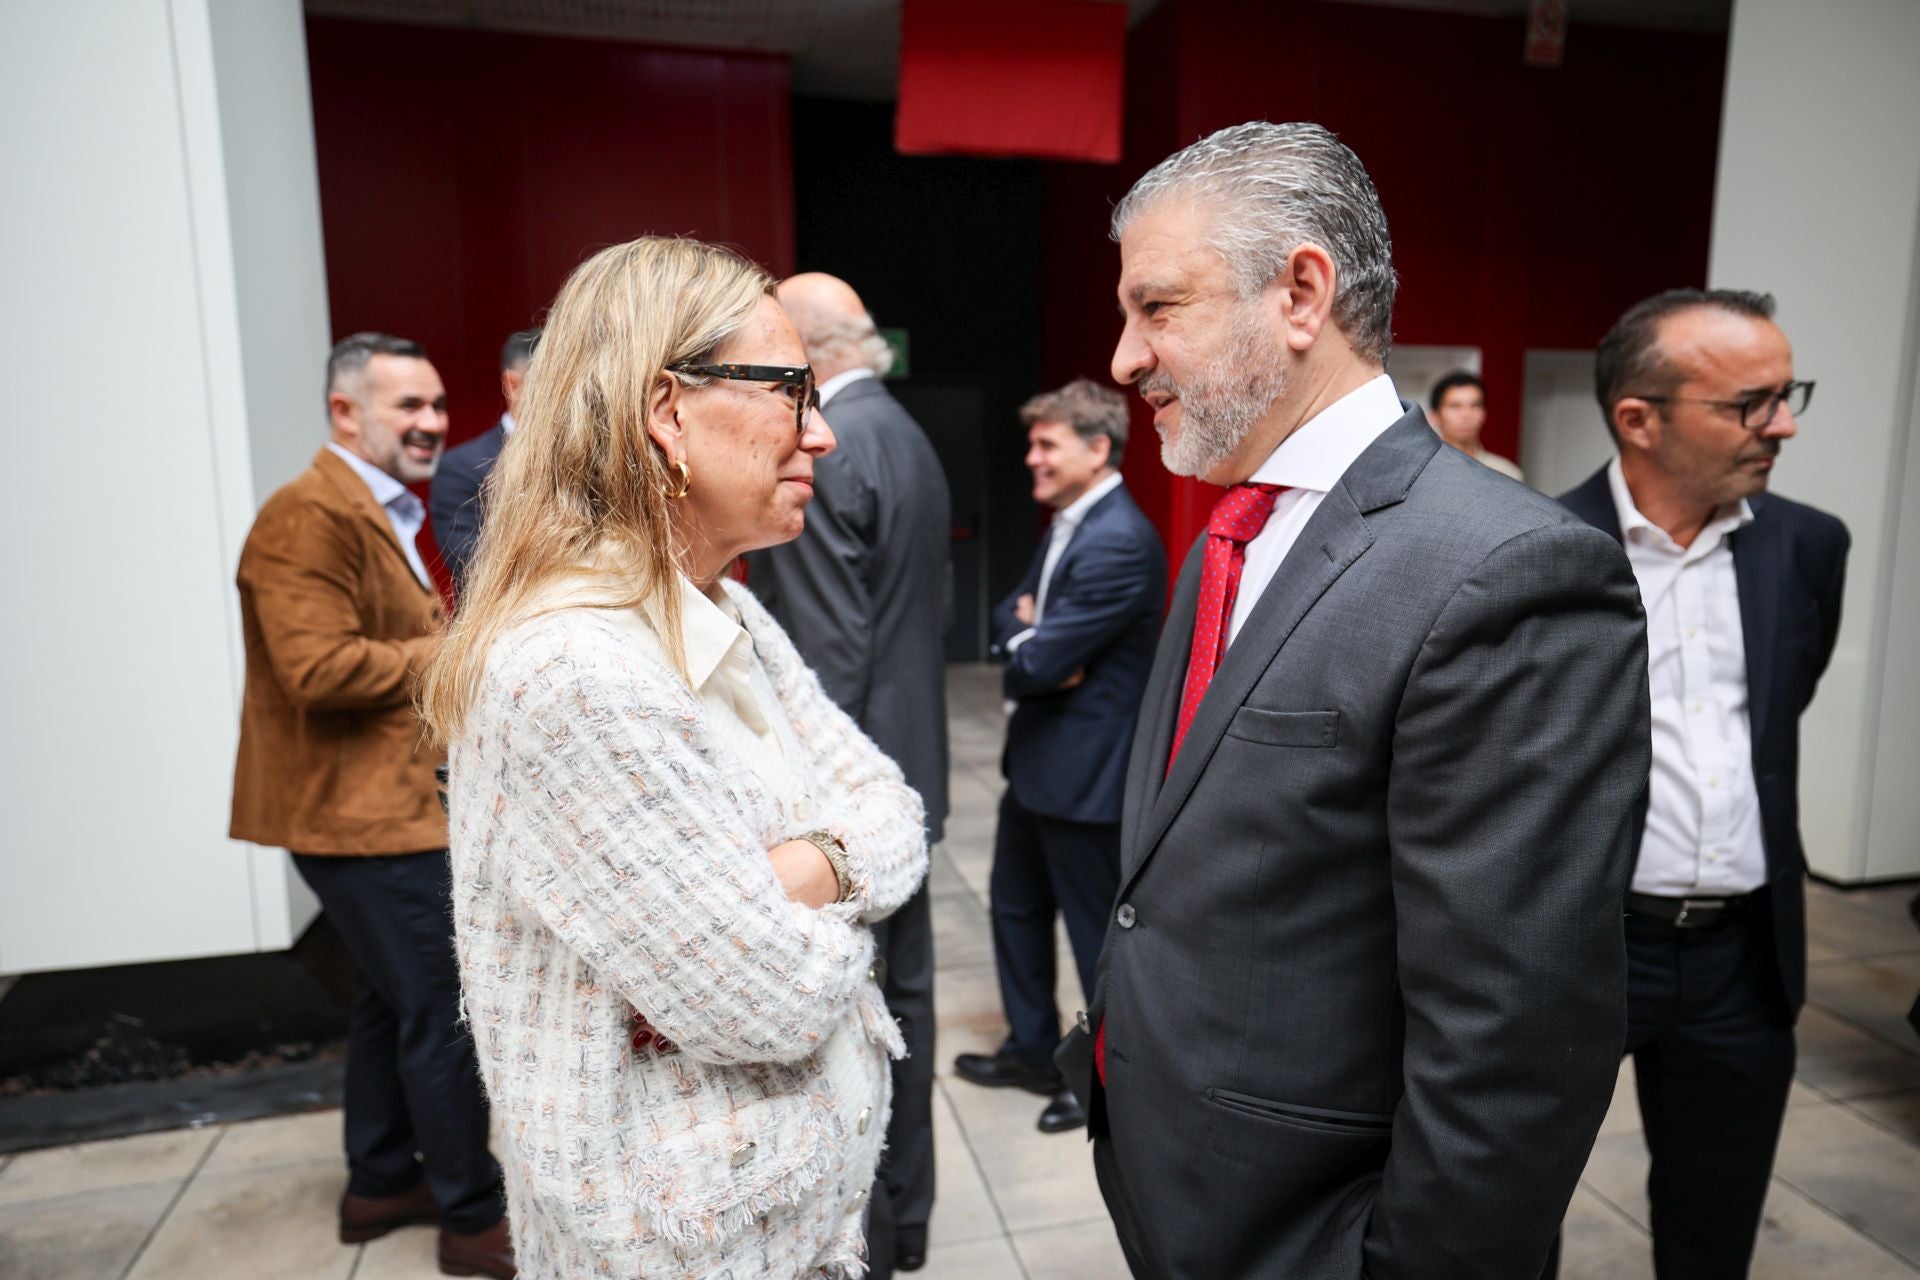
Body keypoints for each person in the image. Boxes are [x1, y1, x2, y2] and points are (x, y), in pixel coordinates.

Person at [1072, 120, 1652, 1279]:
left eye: (1158, 307)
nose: (1125, 357)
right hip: (1183, 1193)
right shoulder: (1226, 537)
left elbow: (1515, 1039)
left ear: (1301, 293)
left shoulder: (1509, 570)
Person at [418, 237, 929, 1280]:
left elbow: (896, 808)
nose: (822, 433)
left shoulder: (721, 605)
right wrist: (831, 903)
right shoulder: (573, 670)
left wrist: (796, 870)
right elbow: (766, 997)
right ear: (666, 410)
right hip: (681, 1247)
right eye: (792, 391)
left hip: (787, 1226)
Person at [1558, 288, 1847, 1280]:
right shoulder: (1538, 552)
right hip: (1585, 949)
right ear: (1638, 418)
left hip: (1742, 957)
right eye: (1752, 402)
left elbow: (1775, 716)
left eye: (1787, 392)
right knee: (1512, 1208)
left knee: (1715, 1222)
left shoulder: (1808, 545)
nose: (1785, 423)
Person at [230, 332, 513, 1278]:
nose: (434, 424)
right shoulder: (306, 515)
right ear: (344, 412)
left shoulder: (375, 504)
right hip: (361, 822)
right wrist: (457, 646)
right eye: (409, 408)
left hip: (380, 809)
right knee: (442, 1008)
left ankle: (382, 1181)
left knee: (387, 1010)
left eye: (438, 406)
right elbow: (315, 668)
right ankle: (475, 1222)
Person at [743, 272, 949, 1273]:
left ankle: (873, 1232)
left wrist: (820, 828)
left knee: (865, 1024)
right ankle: (905, 1223)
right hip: (915, 760)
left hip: (858, 792)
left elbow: (828, 654)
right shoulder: (905, 432)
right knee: (908, 1004)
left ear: (811, 350)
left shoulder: (833, 447)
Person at [952, 379, 1163, 1136]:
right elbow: (1009, 622)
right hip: (1037, 764)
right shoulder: (1068, 525)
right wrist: (1028, 635)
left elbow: (1040, 666)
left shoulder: (1119, 540)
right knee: (1013, 908)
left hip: (1086, 778)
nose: (1031, 458)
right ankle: (1031, 1048)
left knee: (1091, 938)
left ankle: (1097, 1081)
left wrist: (1033, 646)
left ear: (1097, 447)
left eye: (1047, 444)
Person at [432, 328, 539, 594]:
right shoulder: (460, 468)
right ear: (513, 386)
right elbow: (475, 569)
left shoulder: (592, 455)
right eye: (555, 386)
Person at [1427, 369, 1523, 481]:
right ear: (1435, 415)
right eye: (1455, 406)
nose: (1466, 415)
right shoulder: (1421, 471)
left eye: (1475, 406)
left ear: (1484, 414)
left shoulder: (1506, 473)